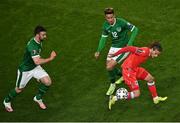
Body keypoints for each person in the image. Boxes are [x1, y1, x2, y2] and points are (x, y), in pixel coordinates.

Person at [3, 25, 57, 112]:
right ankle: (7, 101)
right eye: (43, 35)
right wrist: (50, 58)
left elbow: (36, 61)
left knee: (47, 82)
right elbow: (37, 61)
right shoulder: (32, 46)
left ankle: (38, 98)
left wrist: (37, 75)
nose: (45, 37)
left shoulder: (38, 41)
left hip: (34, 67)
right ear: (37, 34)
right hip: (25, 70)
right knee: (19, 89)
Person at [108, 42, 167, 110]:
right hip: (129, 70)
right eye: (156, 53)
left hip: (135, 68)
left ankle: (155, 98)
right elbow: (129, 48)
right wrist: (115, 54)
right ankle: (115, 98)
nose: (156, 56)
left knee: (150, 79)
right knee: (136, 94)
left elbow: (134, 50)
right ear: (152, 49)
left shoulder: (148, 52)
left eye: (158, 55)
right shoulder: (144, 51)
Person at [94, 7, 138, 96]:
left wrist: (129, 44)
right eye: (108, 18)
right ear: (105, 18)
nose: (110, 20)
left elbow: (135, 29)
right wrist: (98, 50)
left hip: (124, 47)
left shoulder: (121, 22)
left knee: (109, 67)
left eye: (111, 17)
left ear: (114, 16)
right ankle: (124, 75)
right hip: (114, 46)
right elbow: (103, 39)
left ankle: (112, 84)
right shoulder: (105, 25)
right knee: (109, 66)